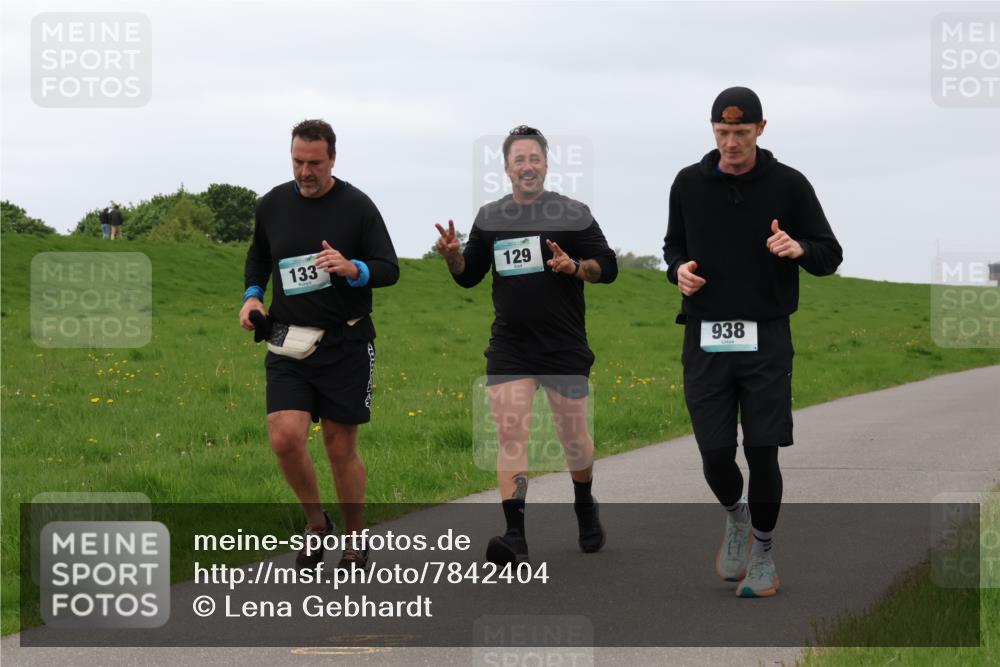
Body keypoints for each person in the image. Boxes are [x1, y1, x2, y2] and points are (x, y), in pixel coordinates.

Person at [663, 87, 842, 597]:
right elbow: (672, 245)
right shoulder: (687, 184)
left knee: (763, 452)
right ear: (712, 129)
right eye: (722, 132)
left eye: (741, 133)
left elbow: (830, 254)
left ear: (761, 129)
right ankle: (736, 518)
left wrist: (799, 247)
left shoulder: (789, 185)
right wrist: (678, 271)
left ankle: (763, 553)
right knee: (716, 454)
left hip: (765, 337)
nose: (731, 142)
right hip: (705, 337)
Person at [435, 125, 618, 564]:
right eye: (519, 160)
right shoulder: (491, 217)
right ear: (506, 168)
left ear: (546, 164)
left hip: (563, 344)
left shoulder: (572, 213)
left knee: (573, 437)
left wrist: (574, 266)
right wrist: (453, 256)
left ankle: (584, 503)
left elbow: (607, 266)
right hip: (511, 345)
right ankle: (514, 534)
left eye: (534, 158)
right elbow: (469, 275)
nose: (527, 167)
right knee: (510, 434)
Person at [239, 119, 399, 571]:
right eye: (297, 161)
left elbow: (389, 268)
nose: (304, 172)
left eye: (314, 163)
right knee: (284, 438)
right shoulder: (271, 204)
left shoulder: (357, 206)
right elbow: (258, 256)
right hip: (288, 341)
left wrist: (353, 269)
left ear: (332, 159)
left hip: (345, 343)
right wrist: (253, 295)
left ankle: (355, 537)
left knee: (338, 446)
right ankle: (315, 524)